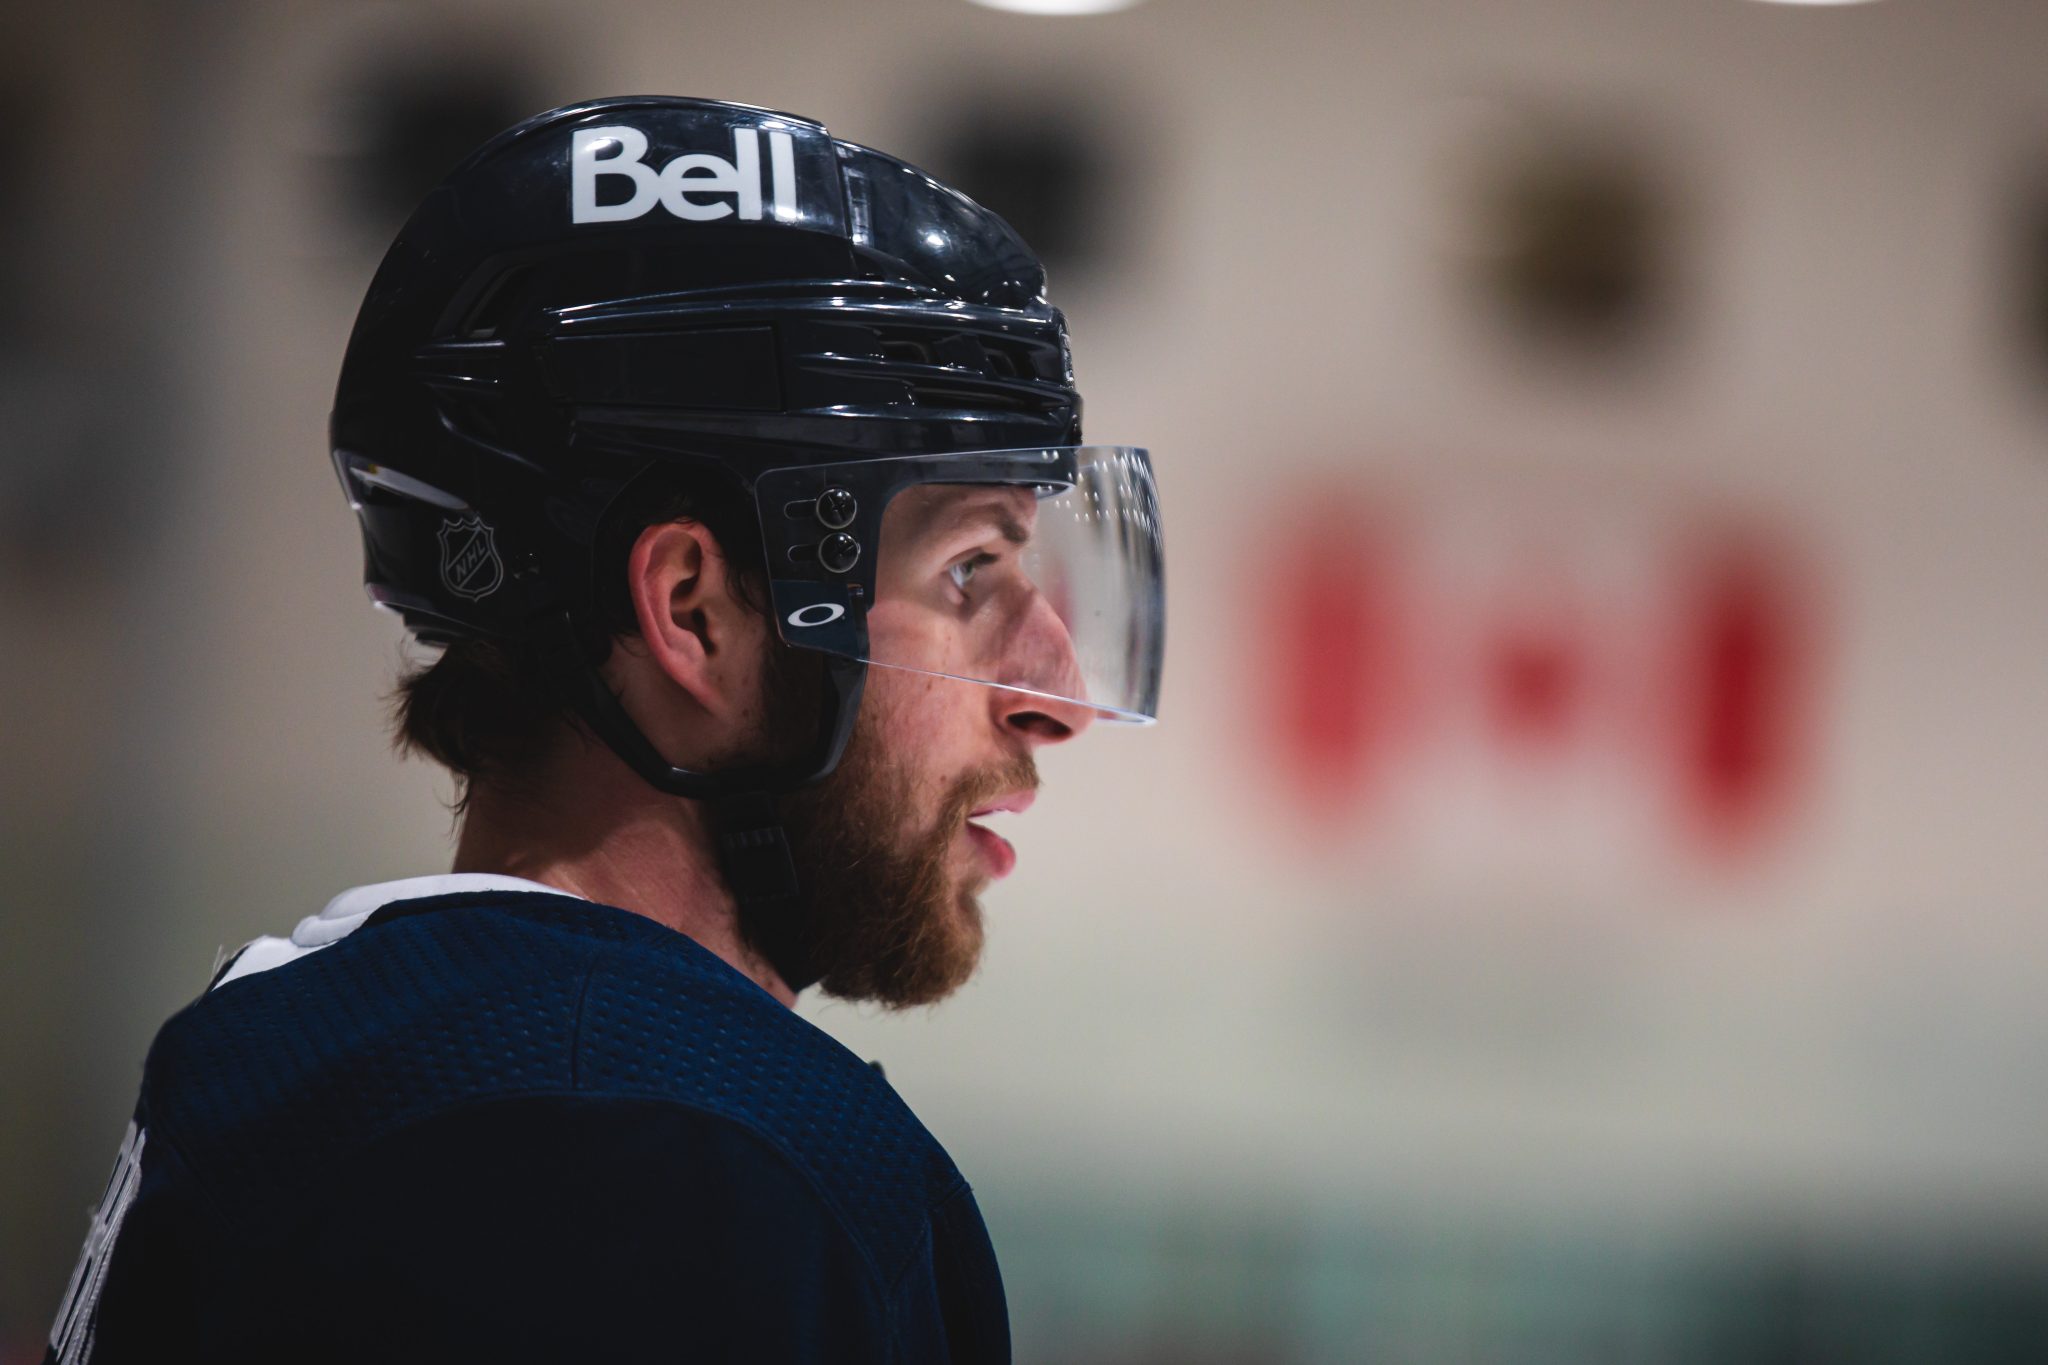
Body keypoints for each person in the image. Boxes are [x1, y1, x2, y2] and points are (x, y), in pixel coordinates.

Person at [44, 96, 1165, 1364]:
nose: (1056, 693)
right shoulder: (676, 1158)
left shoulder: (275, 1045)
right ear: (693, 612)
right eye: (969, 571)